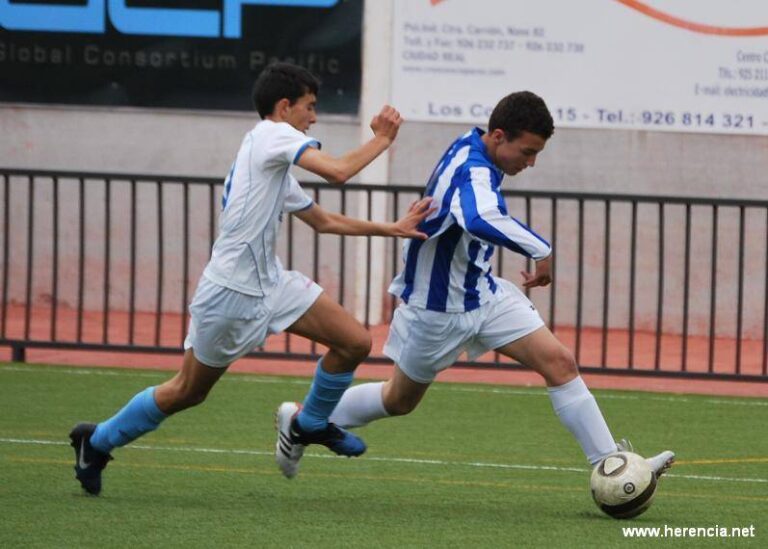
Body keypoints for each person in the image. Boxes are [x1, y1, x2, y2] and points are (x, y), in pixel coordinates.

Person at [69, 62, 434, 495]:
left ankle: (309, 423)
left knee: (354, 341)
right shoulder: (272, 135)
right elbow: (337, 171)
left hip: (271, 284)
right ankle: (97, 441)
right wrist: (382, 139)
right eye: (310, 107)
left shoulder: (271, 158)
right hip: (230, 294)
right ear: (285, 107)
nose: (313, 117)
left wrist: (390, 228)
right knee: (187, 391)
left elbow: (323, 221)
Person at [277, 91, 675, 480]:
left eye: (537, 153)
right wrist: (542, 249)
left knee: (560, 363)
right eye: (527, 152)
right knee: (398, 400)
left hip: (484, 294)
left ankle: (612, 465)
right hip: (436, 311)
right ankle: (303, 419)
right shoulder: (473, 168)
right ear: (499, 136)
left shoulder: (477, 147)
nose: (532, 163)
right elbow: (480, 217)